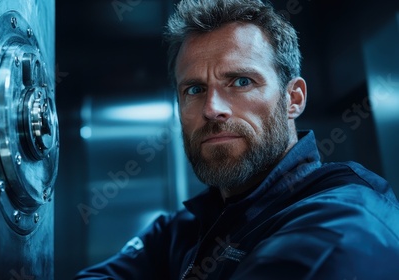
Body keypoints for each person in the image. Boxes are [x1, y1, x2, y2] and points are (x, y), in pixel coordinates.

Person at [75, 0, 399, 279]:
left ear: (294, 98)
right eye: (195, 90)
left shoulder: (343, 223)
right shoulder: (186, 228)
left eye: (241, 81)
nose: (212, 109)